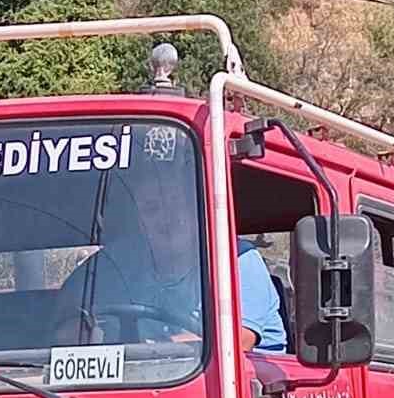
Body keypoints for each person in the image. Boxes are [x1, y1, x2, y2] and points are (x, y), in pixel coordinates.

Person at [54, 126, 287, 354]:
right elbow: (72, 305)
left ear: (195, 206)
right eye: (152, 208)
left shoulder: (236, 258)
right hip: (150, 378)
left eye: (175, 203)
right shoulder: (122, 262)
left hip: (235, 385)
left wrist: (155, 350)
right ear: (140, 218)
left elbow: (237, 343)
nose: (166, 217)